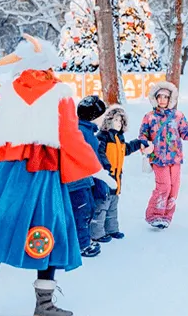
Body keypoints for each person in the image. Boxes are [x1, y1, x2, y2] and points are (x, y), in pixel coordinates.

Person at [0, 34, 115, 316]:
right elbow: (71, 139)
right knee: (50, 228)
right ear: (47, 64)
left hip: (4, 174)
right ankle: (44, 305)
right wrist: (97, 170)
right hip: (42, 173)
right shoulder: (59, 93)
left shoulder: (6, 91)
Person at [139, 82, 188, 229]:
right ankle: (154, 215)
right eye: (159, 97)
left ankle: (166, 216)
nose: (162, 100)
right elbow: (143, 135)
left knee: (174, 188)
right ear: (154, 98)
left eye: (166, 97)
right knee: (164, 186)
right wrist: (145, 145)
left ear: (171, 99)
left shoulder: (178, 116)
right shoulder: (149, 117)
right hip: (158, 158)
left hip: (175, 159)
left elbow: (186, 132)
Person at [93, 105, 150, 241]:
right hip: (105, 178)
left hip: (117, 178)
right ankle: (96, 233)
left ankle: (112, 229)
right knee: (102, 207)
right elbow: (99, 153)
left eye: (121, 121)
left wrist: (138, 143)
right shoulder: (103, 137)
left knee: (112, 206)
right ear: (109, 121)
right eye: (116, 120)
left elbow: (126, 149)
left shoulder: (120, 138)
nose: (118, 124)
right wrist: (106, 167)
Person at [71, 95, 109, 258]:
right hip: (77, 180)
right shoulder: (84, 134)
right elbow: (94, 162)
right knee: (82, 210)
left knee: (84, 209)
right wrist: (102, 183)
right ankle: (82, 244)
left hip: (80, 179)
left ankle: (79, 241)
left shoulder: (80, 130)